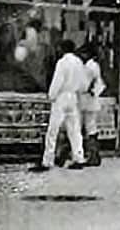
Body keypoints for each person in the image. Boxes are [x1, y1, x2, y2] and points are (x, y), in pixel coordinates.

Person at [29, 40, 87, 172]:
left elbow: (57, 81)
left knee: (53, 130)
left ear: (62, 49)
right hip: (73, 96)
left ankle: (47, 160)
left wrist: (51, 95)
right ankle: (79, 157)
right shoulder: (79, 63)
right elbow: (84, 84)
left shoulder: (62, 63)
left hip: (62, 97)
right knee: (74, 129)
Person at [79, 43, 106, 167]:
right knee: (90, 127)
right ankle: (93, 155)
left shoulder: (90, 66)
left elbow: (86, 84)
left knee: (87, 128)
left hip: (86, 99)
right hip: (89, 100)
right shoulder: (93, 65)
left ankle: (92, 155)